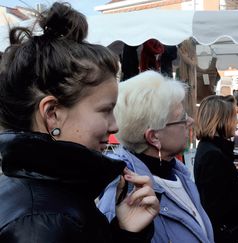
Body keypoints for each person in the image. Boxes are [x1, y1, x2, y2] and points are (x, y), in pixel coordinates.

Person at [0, 2, 159, 242]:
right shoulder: (42, 221)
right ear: (52, 113)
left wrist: (125, 233)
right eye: (106, 110)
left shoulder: (45, 196)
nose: (115, 125)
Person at [97, 71, 214, 243]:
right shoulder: (124, 194)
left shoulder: (178, 173)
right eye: (182, 118)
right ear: (153, 137)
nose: (190, 121)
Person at [194, 95, 238, 243]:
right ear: (220, 120)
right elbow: (222, 204)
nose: (236, 121)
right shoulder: (213, 154)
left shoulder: (209, 149)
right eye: (233, 116)